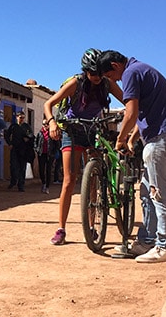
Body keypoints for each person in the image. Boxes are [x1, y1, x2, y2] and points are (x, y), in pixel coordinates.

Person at [95, 49, 166, 262]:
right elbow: (144, 114)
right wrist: (132, 139)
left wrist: (120, 139)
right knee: (147, 192)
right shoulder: (141, 69)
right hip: (163, 136)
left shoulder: (130, 73)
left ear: (115, 66)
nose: (115, 80)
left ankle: (164, 246)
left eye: (111, 77)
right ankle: (146, 240)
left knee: (159, 193)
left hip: (161, 139)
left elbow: (131, 112)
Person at [43, 48, 124, 246]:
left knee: (94, 181)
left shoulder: (107, 84)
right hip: (72, 131)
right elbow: (49, 104)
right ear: (85, 71)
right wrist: (52, 123)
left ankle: (91, 226)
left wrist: (127, 112)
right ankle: (61, 229)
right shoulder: (76, 84)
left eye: (100, 73)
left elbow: (127, 100)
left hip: (94, 130)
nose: (97, 77)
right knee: (69, 181)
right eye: (93, 73)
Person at [5, 111, 34, 191]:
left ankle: (21, 185)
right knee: (13, 166)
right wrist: (9, 143)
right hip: (14, 148)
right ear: (17, 117)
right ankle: (13, 181)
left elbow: (31, 135)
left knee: (22, 167)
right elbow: (7, 135)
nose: (22, 119)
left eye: (23, 118)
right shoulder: (13, 126)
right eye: (20, 117)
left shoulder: (26, 126)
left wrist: (28, 138)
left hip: (23, 149)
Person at [34, 118, 57, 194]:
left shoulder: (52, 133)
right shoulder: (40, 133)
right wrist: (37, 149)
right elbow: (35, 142)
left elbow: (57, 143)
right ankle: (43, 182)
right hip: (41, 153)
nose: (45, 126)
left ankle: (47, 186)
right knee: (41, 169)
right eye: (44, 124)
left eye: (47, 124)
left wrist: (54, 152)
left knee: (48, 170)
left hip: (50, 154)